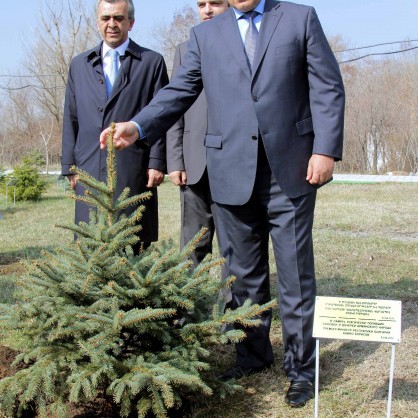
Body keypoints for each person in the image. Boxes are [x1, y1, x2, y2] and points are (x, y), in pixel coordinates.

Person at [100, 0, 345, 408]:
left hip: (292, 168)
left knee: (296, 275)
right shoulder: (205, 35)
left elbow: (327, 86)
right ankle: (251, 354)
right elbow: (178, 92)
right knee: (243, 274)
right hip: (230, 170)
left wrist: (325, 149)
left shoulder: (300, 18)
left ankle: (301, 368)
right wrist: (138, 124)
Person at [62, 0, 168, 253]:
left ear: (131, 22)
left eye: (119, 18)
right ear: (98, 22)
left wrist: (156, 161)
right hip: (89, 165)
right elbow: (71, 117)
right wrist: (69, 166)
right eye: (106, 18)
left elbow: (162, 115)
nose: (112, 24)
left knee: (134, 238)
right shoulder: (80, 64)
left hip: (134, 165)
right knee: (91, 240)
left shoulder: (151, 62)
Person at [167, 0, 230, 267]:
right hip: (194, 165)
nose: (207, 10)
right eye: (201, 4)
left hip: (233, 165)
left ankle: (234, 307)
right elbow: (174, 107)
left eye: (215, 3)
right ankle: (189, 306)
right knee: (192, 246)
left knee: (235, 247)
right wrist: (176, 160)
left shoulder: (247, 46)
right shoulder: (184, 50)